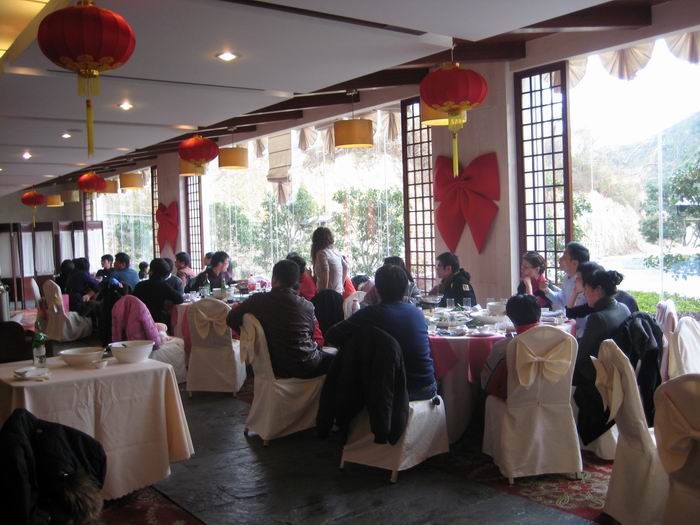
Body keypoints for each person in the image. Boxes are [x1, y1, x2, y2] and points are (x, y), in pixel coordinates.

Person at [325, 264, 436, 401]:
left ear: (376, 290)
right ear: (405, 289)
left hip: (394, 393)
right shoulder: (417, 313)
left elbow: (331, 335)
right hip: (427, 387)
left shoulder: (370, 314)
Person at [226, 259, 332, 379]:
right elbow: (314, 338)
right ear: (297, 282)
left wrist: (252, 336)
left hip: (273, 366)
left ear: (274, 280)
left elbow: (230, 319)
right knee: (339, 360)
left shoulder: (257, 301)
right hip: (306, 366)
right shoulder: (307, 306)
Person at [572, 262, 630, 445]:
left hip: (599, 378)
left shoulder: (598, 317)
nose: (584, 293)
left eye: (586, 289)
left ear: (597, 290)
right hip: (618, 373)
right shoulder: (623, 308)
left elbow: (582, 357)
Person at [480, 294, 541, 400]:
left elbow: (486, 383)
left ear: (510, 317)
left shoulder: (504, 348)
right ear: (539, 313)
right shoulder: (559, 342)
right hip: (553, 401)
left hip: (516, 403)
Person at [539, 241, 589, 334]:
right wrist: (546, 290)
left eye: (564, 257)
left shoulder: (585, 282)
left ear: (575, 263)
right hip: (570, 327)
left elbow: (581, 313)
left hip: (584, 331)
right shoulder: (567, 277)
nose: (560, 259)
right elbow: (562, 300)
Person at [133, 258, 184, 330]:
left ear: (151, 271)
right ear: (165, 274)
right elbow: (180, 299)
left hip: (139, 319)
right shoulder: (163, 286)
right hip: (158, 321)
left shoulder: (139, 285)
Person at [311, 226, 348, 295]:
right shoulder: (336, 252)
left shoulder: (322, 253)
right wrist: (341, 286)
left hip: (328, 295)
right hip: (338, 293)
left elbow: (325, 272)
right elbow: (345, 267)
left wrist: (325, 294)